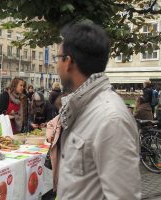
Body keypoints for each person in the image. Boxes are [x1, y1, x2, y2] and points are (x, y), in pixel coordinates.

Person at [56, 22, 141, 199]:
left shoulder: (110, 119)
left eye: (57, 57)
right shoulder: (84, 107)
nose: (55, 65)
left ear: (68, 62)